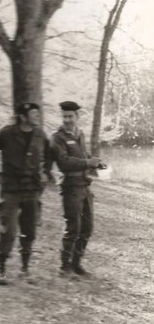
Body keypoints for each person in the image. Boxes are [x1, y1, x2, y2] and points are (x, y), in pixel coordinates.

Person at [0, 103, 51, 285]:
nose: (36, 116)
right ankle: (1, 271)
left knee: (30, 231)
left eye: (37, 113)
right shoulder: (7, 133)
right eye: (32, 113)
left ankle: (24, 270)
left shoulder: (40, 135)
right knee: (8, 230)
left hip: (32, 191)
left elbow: (50, 154)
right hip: (11, 190)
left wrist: (45, 172)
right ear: (22, 116)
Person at [51, 101, 101, 277]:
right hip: (70, 187)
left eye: (70, 116)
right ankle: (64, 267)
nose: (67, 120)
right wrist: (87, 162)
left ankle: (76, 264)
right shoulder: (57, 137)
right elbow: (64, 162)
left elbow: (82, 155)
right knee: (73, 227)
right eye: (64, 116)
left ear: (77, 117)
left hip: (84, 186)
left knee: (87, 227)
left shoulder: (80, 134)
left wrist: (95, 162)